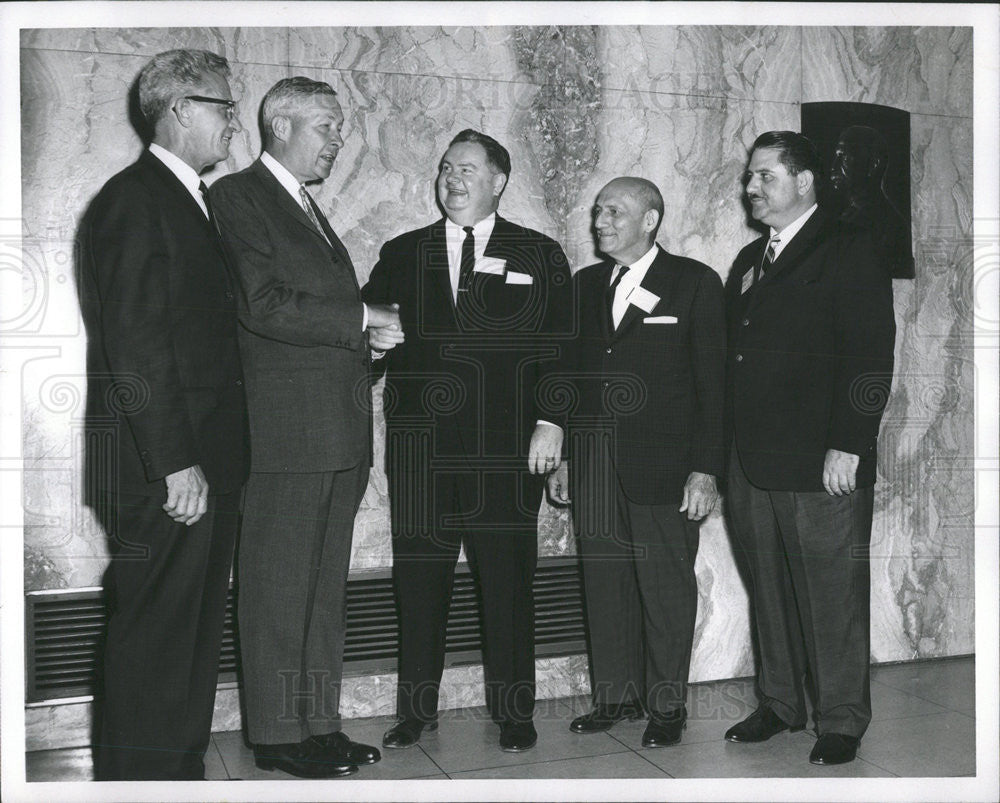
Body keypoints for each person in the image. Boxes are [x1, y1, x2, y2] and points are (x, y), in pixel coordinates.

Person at [209, 77, 403, 779]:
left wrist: (368, 347)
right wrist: (362, 319)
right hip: (287, 435)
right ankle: (277, 734)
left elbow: (313, 319)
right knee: (277, 586)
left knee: (321, 591)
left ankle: (319, 723)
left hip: (337, 430)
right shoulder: (236, 197)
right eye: (326, 123)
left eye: (339, 125)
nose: (337, 137)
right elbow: (263, 304)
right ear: (279, 124)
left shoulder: (306, 206)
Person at [362, 129, 572, 753]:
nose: (453, 179)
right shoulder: (403, 251)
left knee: (508, 583)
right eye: (446, 168)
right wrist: (372, 344)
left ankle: (514, 712)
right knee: (418, 581)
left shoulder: (539, 253)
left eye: (468, 170)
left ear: (499, 181)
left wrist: (553, 421)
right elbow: (365, 332)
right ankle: (414, 711)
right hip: (420, 450)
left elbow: (562, 348)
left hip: (506, 453)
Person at [78, 48, 249, 780]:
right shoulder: (136, 199)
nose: (234, 122)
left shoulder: (187, 199)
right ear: (179, 108)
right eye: (224, 107)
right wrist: (176, 459)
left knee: (186, 640)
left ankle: (173, 777)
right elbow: (138, 343)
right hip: (167, 471)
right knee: (155, 642)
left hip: (196, 466)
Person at [723, 131, 895, 765]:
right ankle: (780, 703)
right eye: (751, 175)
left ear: (805, 182)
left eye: (764, 175)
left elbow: (870, 357)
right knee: (767, 585)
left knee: (830, 590)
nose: (751, 187)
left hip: (821, 460)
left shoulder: (850, 249)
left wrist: (849, 444)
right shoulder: (748, 259)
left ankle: (842, 717)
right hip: (749, 460)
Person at [546, 177, 725, 748]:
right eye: (598, 210)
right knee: (605, 583)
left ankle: (666, 705)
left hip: (666, 469)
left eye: (615, 211)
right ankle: (615, 697)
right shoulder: (586, 284)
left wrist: (706, 468)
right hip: (595, 465)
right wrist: (568, 457)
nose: (601, 220)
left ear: (650, 220)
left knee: (665, 589)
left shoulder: (694, 283)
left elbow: (715, 387)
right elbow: (571, 376)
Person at [828, 124, 914, 279]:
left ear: (873, 164)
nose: (834, 166)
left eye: (845, 156)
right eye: (836, 156)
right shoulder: (852, 216)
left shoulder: (887, 225)